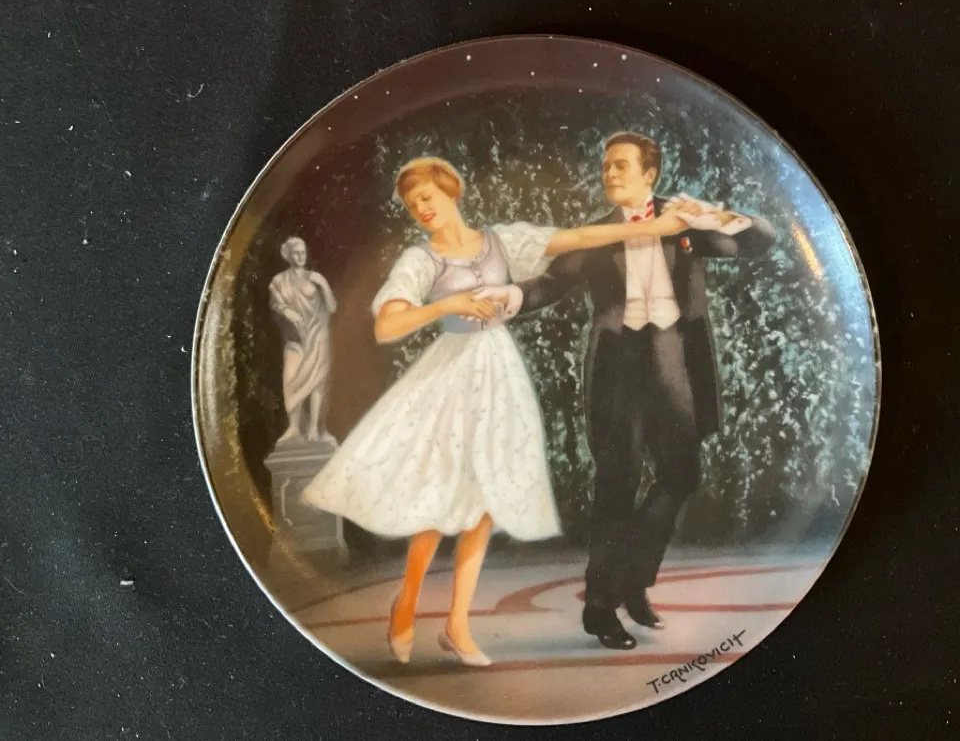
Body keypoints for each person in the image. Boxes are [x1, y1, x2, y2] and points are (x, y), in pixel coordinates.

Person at [300, 156, 692, 667]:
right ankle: (407, 602)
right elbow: (387, 325)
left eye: (428, 198)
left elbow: (576, 239)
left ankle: (457, 625)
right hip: (450, 373)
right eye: (413, 204)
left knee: (484, 499)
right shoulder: (421, 259)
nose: (422, 209)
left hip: (497, 372)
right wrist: (447, 305)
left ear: (451, 193)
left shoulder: (500, 241)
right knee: (438, 496)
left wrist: (657, 227)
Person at [487, 132, 776, 651]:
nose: (610, 173)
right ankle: (601, 608)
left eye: (621, 165)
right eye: (606, 167)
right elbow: (552, 282)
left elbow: (758, 241)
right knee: (617, 484)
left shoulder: (685, 221)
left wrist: (714, 214)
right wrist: (509, 295)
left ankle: (631, 580)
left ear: (650, 174)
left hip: (673, 361)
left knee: (682, 475)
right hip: (617, 367)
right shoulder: (599, 233)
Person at [269, 237, 337, 444]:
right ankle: (294, 427)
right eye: (295, 253)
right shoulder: (279, 281)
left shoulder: (315, 278)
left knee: (317, 379)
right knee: (291, 378)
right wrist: (287, 311)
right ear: (288, 256)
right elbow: (275, 304)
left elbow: (332, 307)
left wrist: (323, 285)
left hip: (317, 335)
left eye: (302, 252)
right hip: (295, 337)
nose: (300, 257)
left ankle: (314, 428)